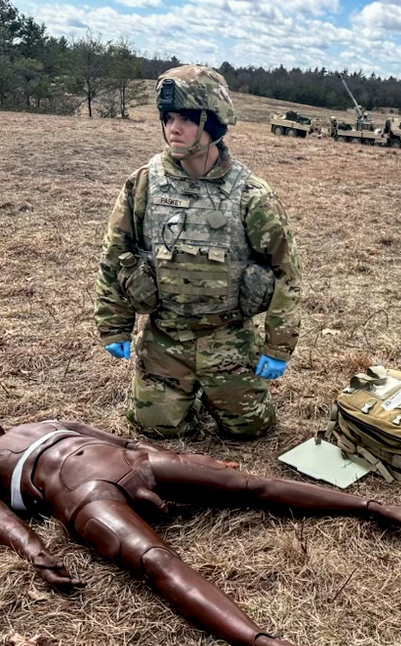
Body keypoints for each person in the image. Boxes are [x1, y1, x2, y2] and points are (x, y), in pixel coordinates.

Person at [0, 417, 401, 646]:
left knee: (249, 485)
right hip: (85, 498)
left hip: (132, 462)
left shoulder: (43, 420)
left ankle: (371, 505)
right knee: (157, 562)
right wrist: (35, 553)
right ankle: (265, 643)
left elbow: (125, 439)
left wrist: (188, 465)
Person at [94, 65, 302, 441]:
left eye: (188, 119)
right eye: (169, 118)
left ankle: (218, 391)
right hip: (165, 337)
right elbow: (115, 255)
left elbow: (286, 273)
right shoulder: (143, 184)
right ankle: (180, 394)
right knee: (154, 429)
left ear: (215, 124)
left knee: (252, 431)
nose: (174, 128)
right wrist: (114, 325)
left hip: (229, 339)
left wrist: (277, 346)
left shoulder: (252, 195)